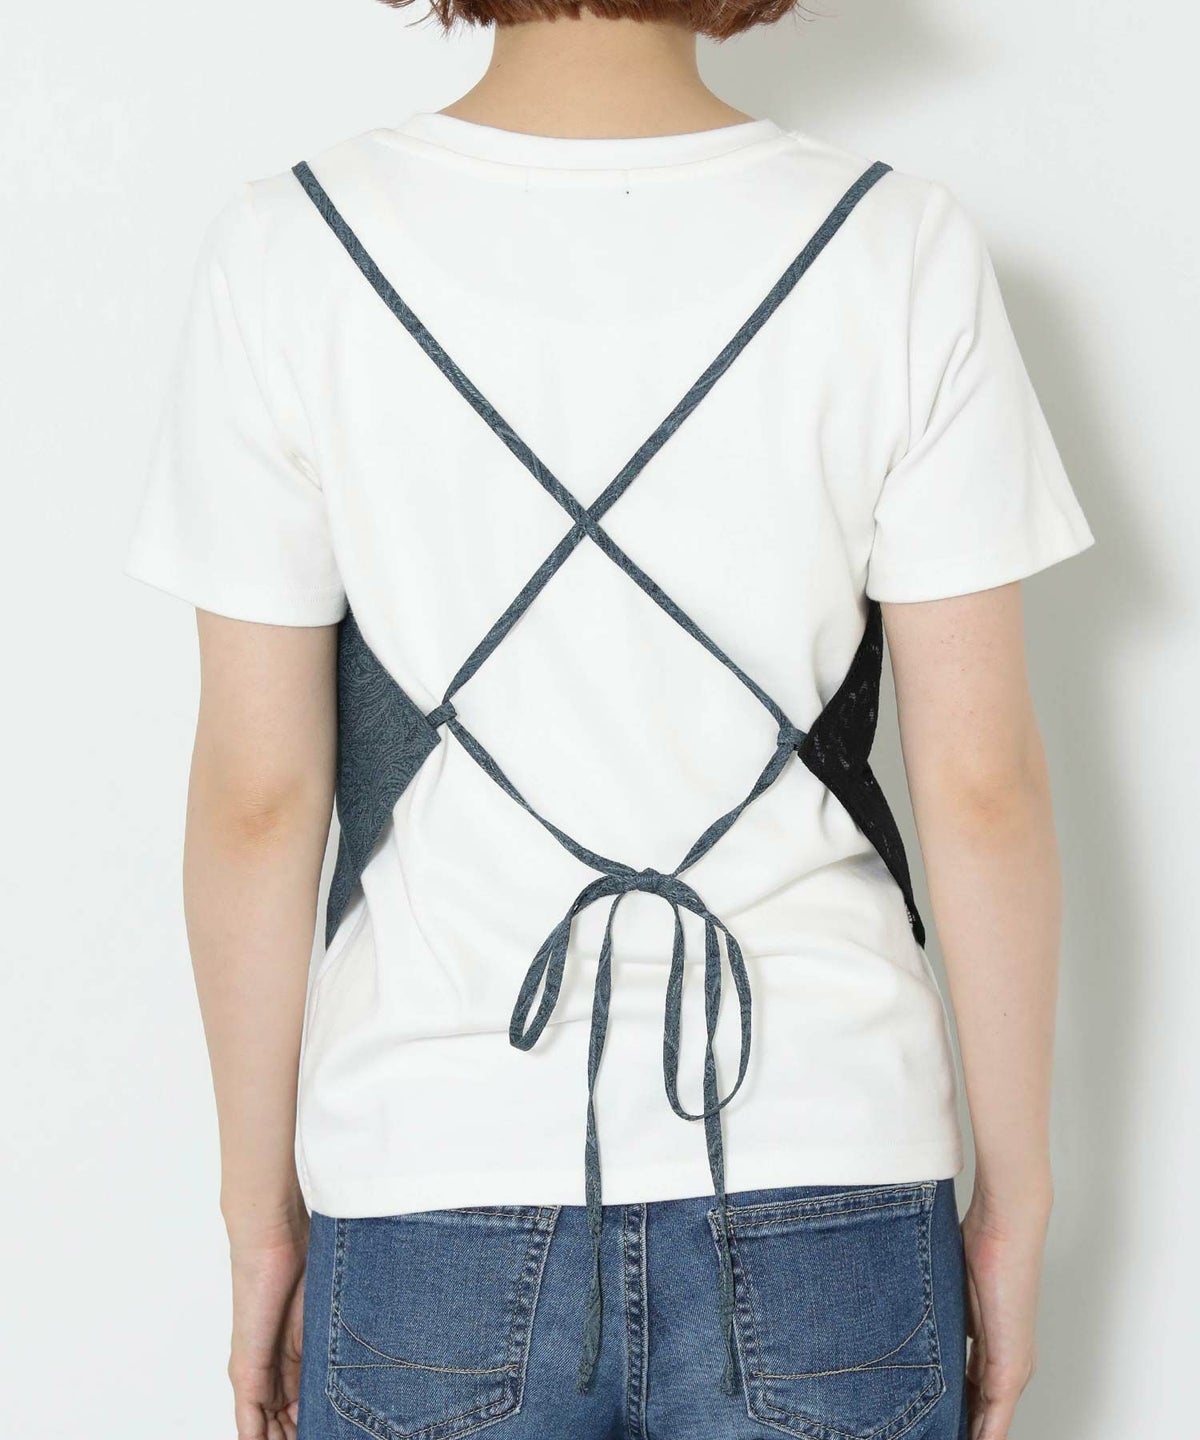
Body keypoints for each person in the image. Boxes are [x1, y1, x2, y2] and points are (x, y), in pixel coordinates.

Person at [123, 3, 1095, 1438]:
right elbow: (983, 785)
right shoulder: (898, 246)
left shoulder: (291, 247)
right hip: (825, 1168)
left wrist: (257, 1212)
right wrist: (1015, 1206)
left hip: (429, 1167)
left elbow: (259, 800)